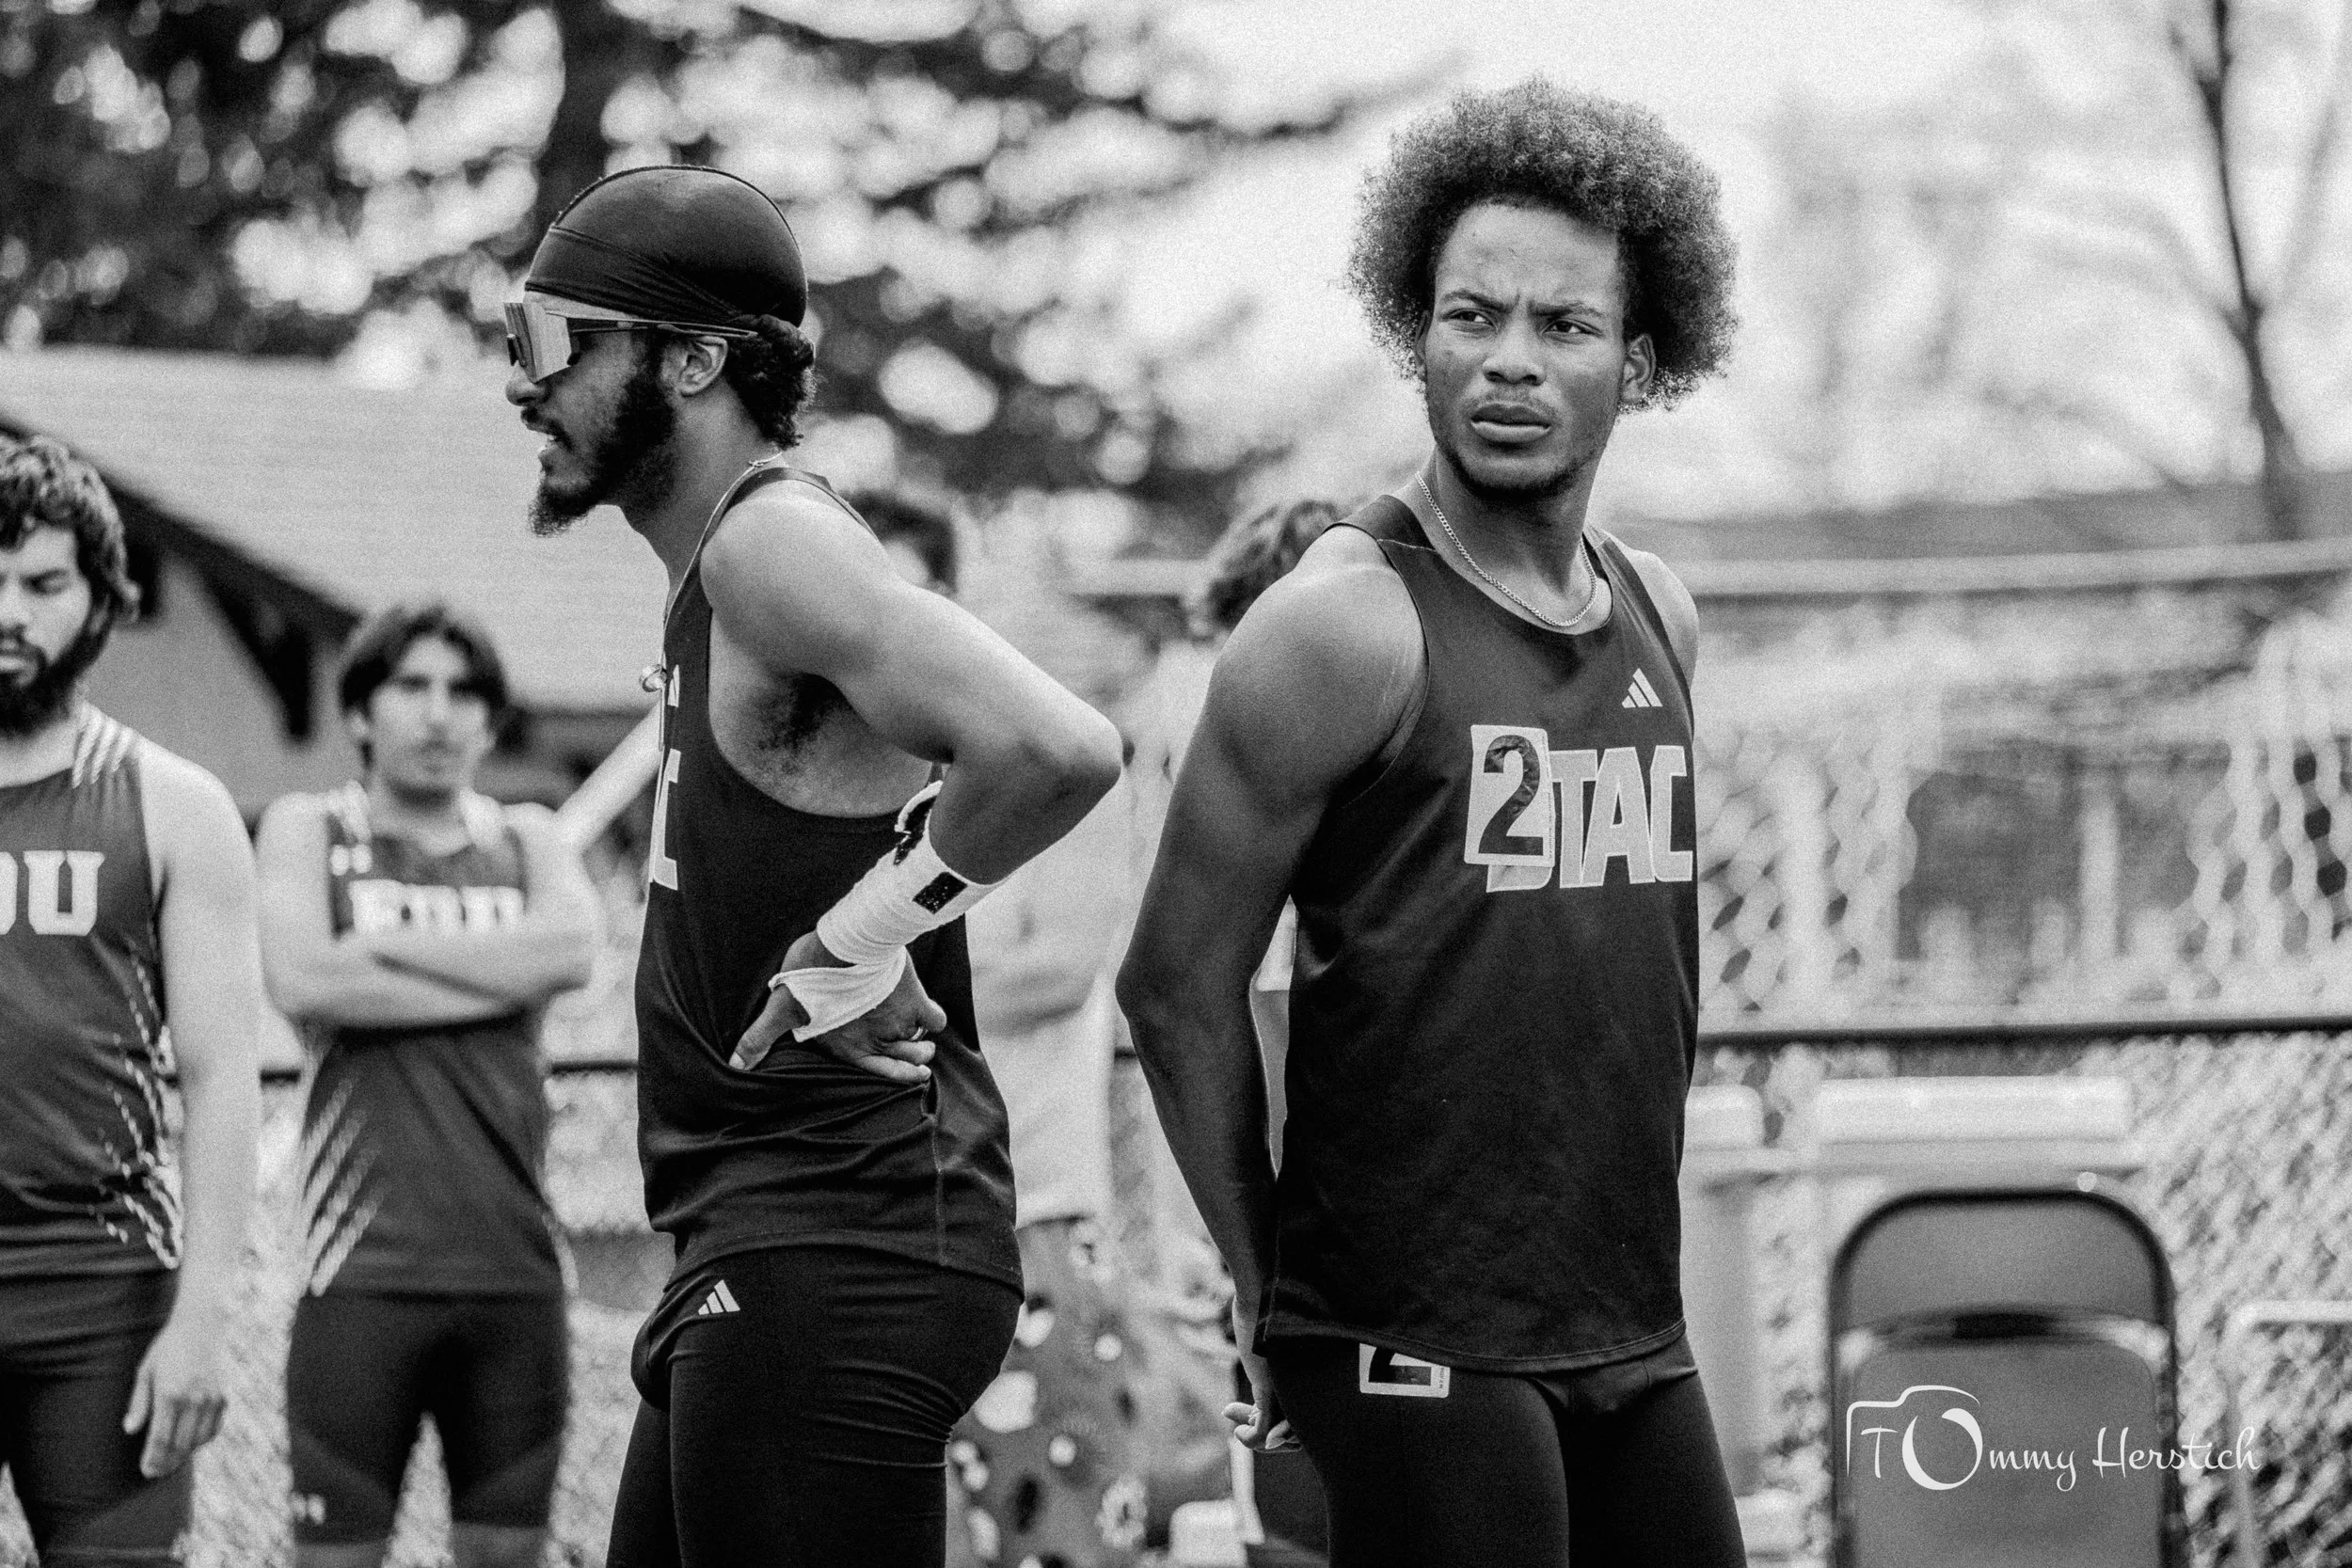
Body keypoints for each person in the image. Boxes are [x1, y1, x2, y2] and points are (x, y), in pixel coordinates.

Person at [1118, 81, 1746, 1567]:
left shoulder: (1660, 612)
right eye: (1472, 316)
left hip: (1628, 1319)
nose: (1510, 358)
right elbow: (1175, 983)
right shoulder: (1337, 627)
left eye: (1564, 324)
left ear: (1639, 359)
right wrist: (1266, 1287)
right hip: (1407, 1330)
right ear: (1418, 334)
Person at [503, 166, 1123, 1568]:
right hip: (768, 1230)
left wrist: (858, 939)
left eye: (552, 340)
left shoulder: (767, 544)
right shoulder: (720, 578)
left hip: (841, 1236)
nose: (522, 382)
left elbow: (1059, 747)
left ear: (694, 359)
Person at [255, 602, 600, 1568]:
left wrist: (379, 948)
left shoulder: (528, 838)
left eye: (464, 692)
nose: (439, 713)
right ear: (360, 712)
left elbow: (572, 951)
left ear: (491, 722)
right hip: (360, 1277)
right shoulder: (309, 828)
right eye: (412, 686)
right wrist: (500, 975)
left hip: (515, 1275)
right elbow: (305, 979)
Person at [856, 490, 1152, 1567]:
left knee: (1060, 1543)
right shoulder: (822, 785)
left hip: (1030, 1213)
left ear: (949, 603)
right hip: (864, 1226)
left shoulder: (1048, 758)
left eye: (899, 598)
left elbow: (1060, 968)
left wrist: (849, 968)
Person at [0, 435, 262, 1565]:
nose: (7, 610)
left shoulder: (174, 804)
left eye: (41, 583)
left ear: (102, 599)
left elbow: (221, 1074)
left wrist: (203, 1316)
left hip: (101, 1288)